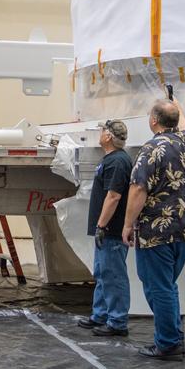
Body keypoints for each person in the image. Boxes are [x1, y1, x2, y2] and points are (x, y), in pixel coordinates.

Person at [122, 99, 185, 362]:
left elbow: (138, 189)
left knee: (158, 287)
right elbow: (184, 124)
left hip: (158, 229)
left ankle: (168, 344)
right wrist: (177, 103)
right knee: (168, 285)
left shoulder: (151, 149)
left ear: (153, 121)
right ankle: (172, 337)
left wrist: (127, 224)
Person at [77, 119, 133, 337]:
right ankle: (100, 315)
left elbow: (114, 196)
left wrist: (102, 225)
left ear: (108, 136)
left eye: (102, 131)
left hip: (112, 230)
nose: (99, 134)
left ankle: (118, 322)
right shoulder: (111, 159)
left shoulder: (118, 162)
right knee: (102, 272)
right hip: (107, 231)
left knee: (114, 275)